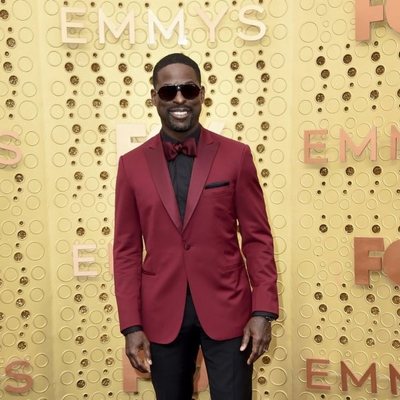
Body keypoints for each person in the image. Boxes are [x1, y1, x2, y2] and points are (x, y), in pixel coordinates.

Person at [113, 52, 279, 400]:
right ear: (154, 97)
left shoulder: (236, 156)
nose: (179, 99)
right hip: (162, 315)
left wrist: (263, 310)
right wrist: (131, 325)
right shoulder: (131, 166)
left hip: (229, 310)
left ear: (201, 94)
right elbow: (126, 252)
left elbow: (257, 238)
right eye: (169, 90)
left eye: (188, 90)